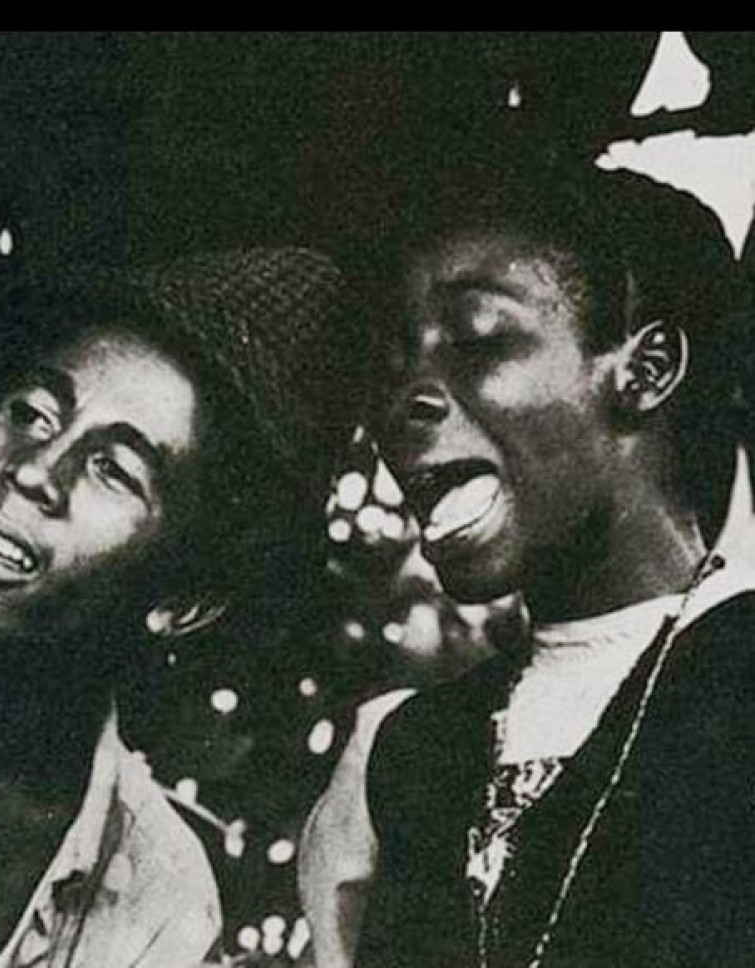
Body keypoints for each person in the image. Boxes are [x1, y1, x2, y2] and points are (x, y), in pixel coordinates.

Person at [302, 160, 755, 967]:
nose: (406, 397)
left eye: (476, 338)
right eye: (393, 363)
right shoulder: (399, 757)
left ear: (645, 371)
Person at [0, 247, 367, 968]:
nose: (35, 471)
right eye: (34, 413)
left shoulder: (164, 901)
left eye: (113, 469)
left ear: (185, 602)